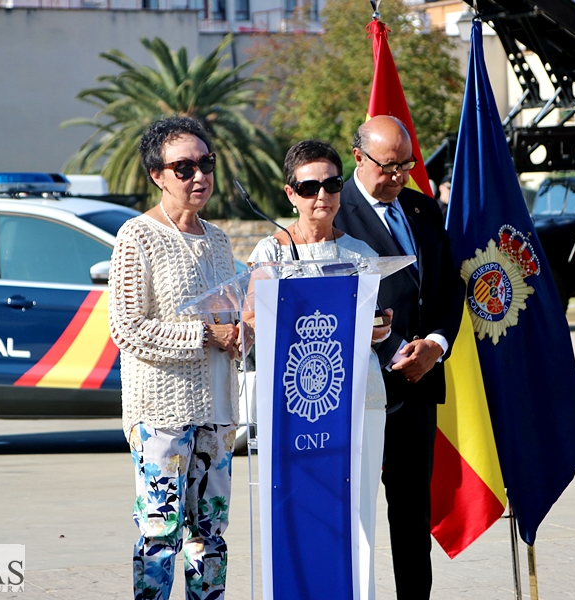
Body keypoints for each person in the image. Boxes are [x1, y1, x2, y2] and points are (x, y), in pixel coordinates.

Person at [246, 139, 392, 600]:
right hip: (292, 408)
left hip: (360, 401)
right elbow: (252, 318)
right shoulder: (268, 255)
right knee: (299, 515)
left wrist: (380, 328)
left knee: (359, 520)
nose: (322, 196)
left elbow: (377, 325)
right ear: (290, 193)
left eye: (331, 184)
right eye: (310, 187)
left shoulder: (361, 253)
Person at [109, 116, 245, 600]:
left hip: (218, 412)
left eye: (206, 164)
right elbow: (126, 328)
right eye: (183, 167)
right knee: (160, 536)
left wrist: (239, 333)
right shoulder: (137, 236)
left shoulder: (220, 240)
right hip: (161, 415)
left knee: (210, 536)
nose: (199, 177)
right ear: (157, 175)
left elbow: (230, 314)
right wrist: (205, 335)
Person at [333, 115, 464, 600]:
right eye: (388, 166)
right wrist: (388, 349)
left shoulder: (423, 209)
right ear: (359, 158)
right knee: (354, 513)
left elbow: (449, 289)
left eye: (406, 165)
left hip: (419, 386)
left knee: (412, 517)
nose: (398, 176)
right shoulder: (332, 212)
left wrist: (434, 345)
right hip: (360, 391)